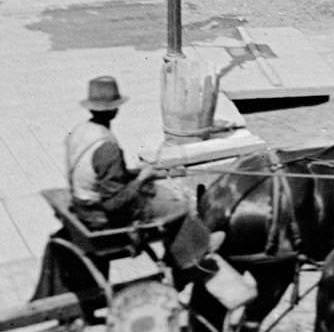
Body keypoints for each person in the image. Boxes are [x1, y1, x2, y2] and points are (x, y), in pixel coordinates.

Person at [31, 74, 218, 300]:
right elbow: (113, 203)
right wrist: (140, 180)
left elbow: (97, 172)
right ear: (115, 109)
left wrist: (134, 173)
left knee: (157, 193)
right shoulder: (107, 146)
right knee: (177, 208)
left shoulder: (81, 130)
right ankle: (189, 264)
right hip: (100, 216)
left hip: (81, 201)